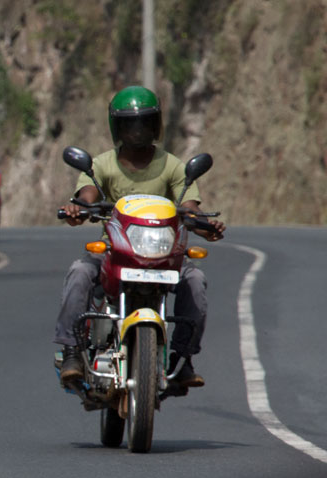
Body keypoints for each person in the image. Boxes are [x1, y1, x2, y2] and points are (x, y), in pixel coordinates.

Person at [56, 85, 226, 387]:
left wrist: (205, 225)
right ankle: (71, 349)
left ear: (155, 125)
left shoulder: (173, 166)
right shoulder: (102, 165)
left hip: (163, 253)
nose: (137, 130)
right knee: (80, 272)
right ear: (117, 127)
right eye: (129, 123)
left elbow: (189, 207)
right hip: (114, 249)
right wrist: (78, 208)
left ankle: (182, 357)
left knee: (195, 281)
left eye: (144, 122)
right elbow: (88, 193)